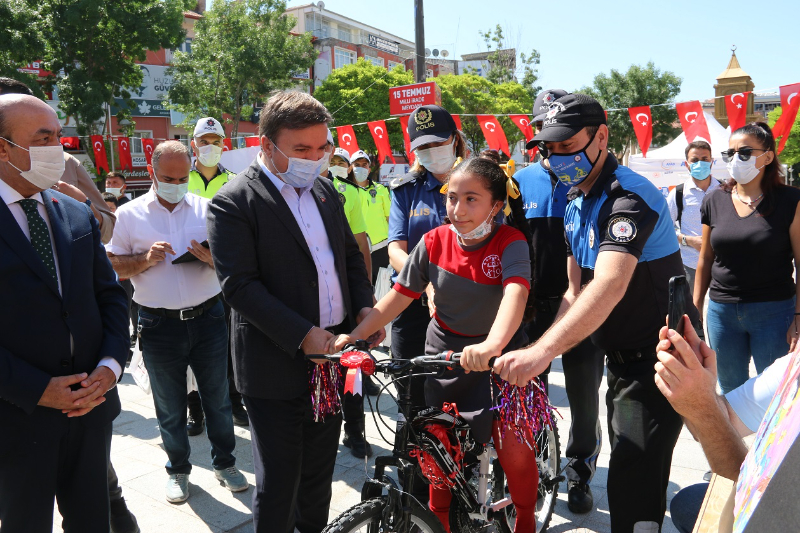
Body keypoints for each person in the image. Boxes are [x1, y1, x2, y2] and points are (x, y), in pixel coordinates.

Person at [494, 93, 699, 532]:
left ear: (601, 137)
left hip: (659, 360)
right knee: (632, 473)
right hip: (620, 361)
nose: (555, 157)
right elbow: (575, 289)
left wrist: (539, 353)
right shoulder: (573, 200)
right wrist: (540, 348)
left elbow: (609, 283)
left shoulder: (629, 198)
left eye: (566, 145)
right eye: (548, 148)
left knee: (633, 486)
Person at [332, 156, 541, 532]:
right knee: (438, 456)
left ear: (497, 205)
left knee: (514, 451)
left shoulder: (512, 242)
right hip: (443, 360)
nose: (457, 210)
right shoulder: (434, 241)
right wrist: (356, 335)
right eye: (452, 198)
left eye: (471, 199)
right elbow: (397, 297)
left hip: (500, 361)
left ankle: (525, 515)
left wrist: (492, 346)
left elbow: (515, 296)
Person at [206, 91, 378, 533]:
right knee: (280, 481)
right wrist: (303, 335)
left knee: (319, 475)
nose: (315, 159)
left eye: (323, 148)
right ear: (266, 144)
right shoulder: (234, 201)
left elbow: (349, 257)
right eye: (301, 149)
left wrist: (364, 309)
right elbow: (239, 286)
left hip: (336, 355)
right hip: (275, 365)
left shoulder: (325, 191)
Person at [0, 79, 138, 533]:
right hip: (15, 417)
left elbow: (110, 297)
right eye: (42, 139)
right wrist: (36, 388)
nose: (57, 149)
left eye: (57, 136)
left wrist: (111, 366)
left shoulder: (74, 211)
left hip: (92, 410)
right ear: (3, 149)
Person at [106, 141, 247, 503]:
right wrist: (143, 259)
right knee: (169, 406)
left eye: (184, 177)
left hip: (209, 317)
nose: (177, 183)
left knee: (218, 398)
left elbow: (236, 263)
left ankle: (226, 463)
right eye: (169, 177)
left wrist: (211, 258)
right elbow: (112, 266)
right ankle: (179, 471)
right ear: (152, 172)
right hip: (157, 323)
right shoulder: (130, 214)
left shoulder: (206, 208)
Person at [513, 88, 605, 514]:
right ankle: (532, 468)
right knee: (529, 395)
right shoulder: (517, 183)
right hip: (529, 311)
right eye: (544, 137)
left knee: (585, 398)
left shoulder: (592, 181)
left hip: (583, 307)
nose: (555, 150)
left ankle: (579, 473)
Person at [655, 315, 800, 532]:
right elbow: (721, 423)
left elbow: (776, 511)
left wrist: (702, 405)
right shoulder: (791, 368)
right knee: (688, 504)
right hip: (766, 503)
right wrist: (696, 384)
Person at [694, 122, 800, 394]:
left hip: (774, 312)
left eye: (744, 152)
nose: (735, 159)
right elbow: (705, 258)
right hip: (721, 313)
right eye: (730, 154)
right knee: (729, 391)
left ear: (767, 156)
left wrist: (798, 316)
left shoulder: (791, 201)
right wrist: (694, 309)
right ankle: (733, 440)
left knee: (775, 394)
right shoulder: (714, 200)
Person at [184, 116, 248, 431]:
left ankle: (235, 401)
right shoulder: (180, 179)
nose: (210, 147)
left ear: (225, 145)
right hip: (186, 274)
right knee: (192, 344)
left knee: (230, 340)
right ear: (193, 144)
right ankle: (194, 408)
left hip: (225, 276)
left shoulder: (237, 180)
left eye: (215, 141)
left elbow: (245, 230)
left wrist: (218, 258)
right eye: (204, 141)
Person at [666, 140, 721, 296]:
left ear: (711, 161)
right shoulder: (677, 194)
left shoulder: (725, 191)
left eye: (705, 159)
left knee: (721, 314)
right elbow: (664, 229)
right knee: (691, 314)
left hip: (722, 265)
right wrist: (688, 240)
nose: (700, 163)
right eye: (695, 160)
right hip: (690, 265)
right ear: (687, 164)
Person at [327, 145, 372, 277]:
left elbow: (360, 238)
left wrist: (367, 283)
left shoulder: (352, 191)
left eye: (341, 163)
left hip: (346, 255)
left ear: (349, 168)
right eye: (333, 163)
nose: (336, 166)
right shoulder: (312, 184)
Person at [350, 150, 392, 283]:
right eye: (357, 164)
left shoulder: (381, 190)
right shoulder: (344, 190)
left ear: (369, 169)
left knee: (382, 287)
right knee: (360, 284)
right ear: (350, 167)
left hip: (381, 247)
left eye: (364, 165)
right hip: (356, 246)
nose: (360, 168)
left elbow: (390, 218)